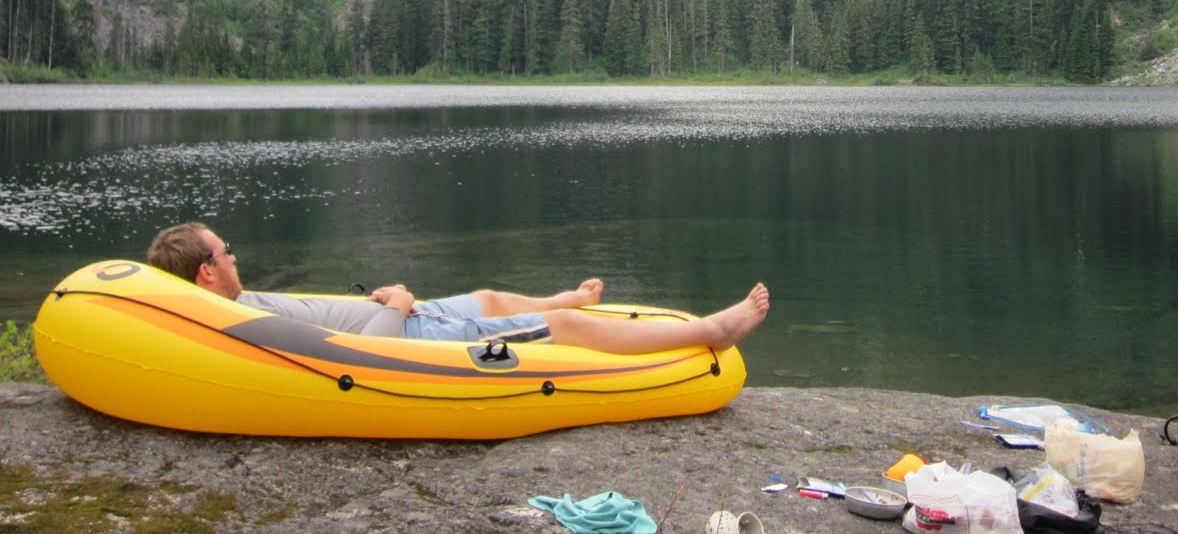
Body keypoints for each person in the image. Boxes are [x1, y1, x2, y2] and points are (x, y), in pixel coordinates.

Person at [146, 222, 768, 353]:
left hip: (399, 312)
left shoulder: (227, 300)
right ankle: (712, 332)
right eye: (227, 251)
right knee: (561, 332)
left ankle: (563, 297)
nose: (235, 255)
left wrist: (388, 302)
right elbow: (356, 357)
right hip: (409, 331)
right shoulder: (236, 318)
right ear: (206, 270)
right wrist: (399, 304)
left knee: (492, 296)